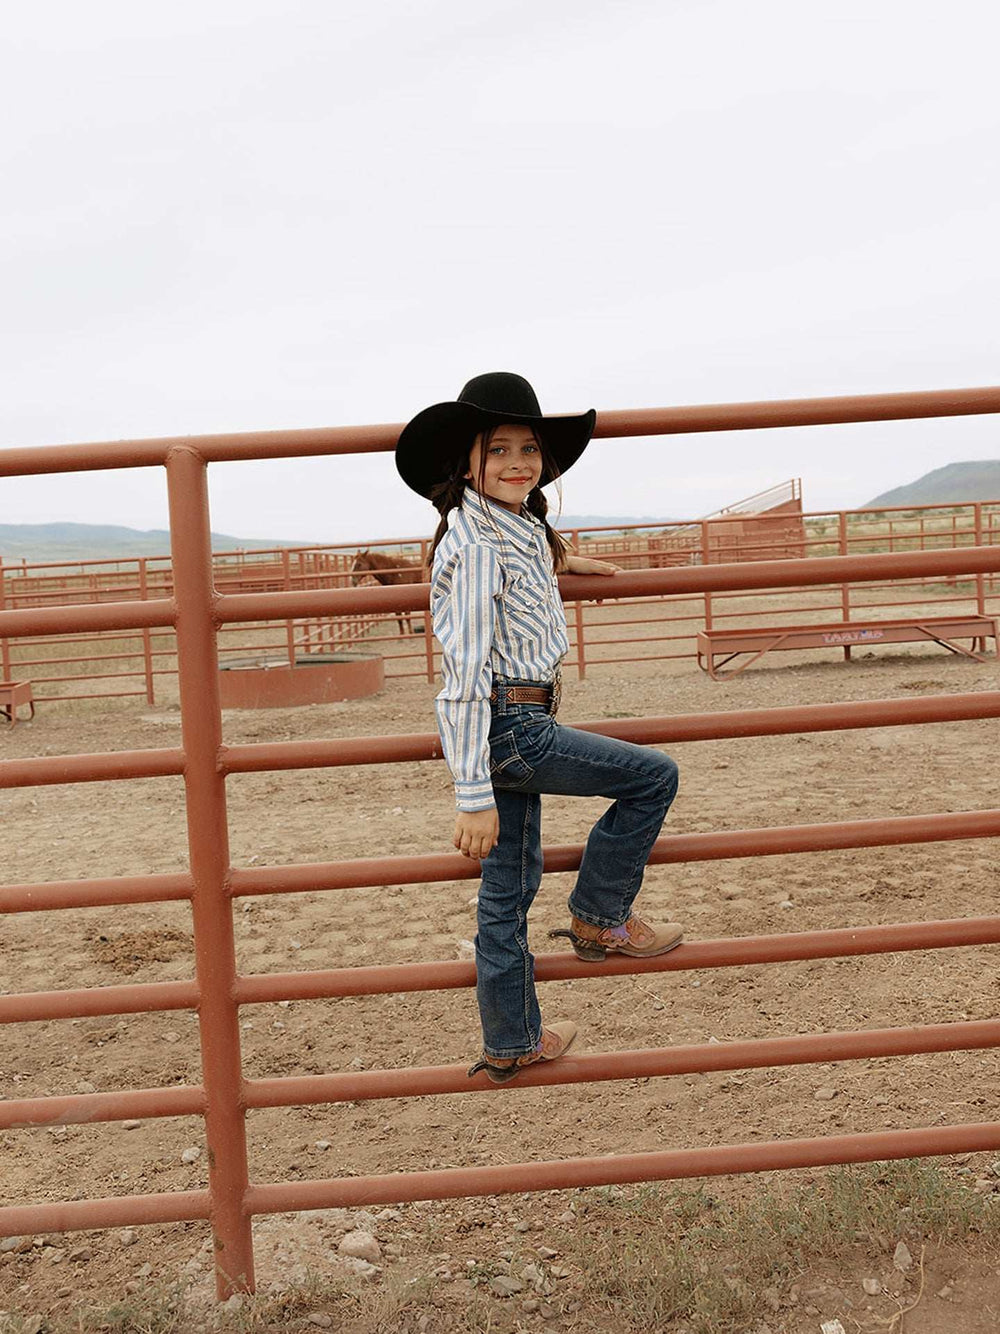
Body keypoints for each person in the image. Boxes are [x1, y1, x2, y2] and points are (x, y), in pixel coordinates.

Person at [395, 372, 682, 1084]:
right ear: (468, 462)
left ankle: (513, 1037)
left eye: (529, 448)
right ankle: (598, 915)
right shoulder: (478, 545)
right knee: (653, 776)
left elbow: (523, 561)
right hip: (511, 724)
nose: (518, 461)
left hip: (519, 718)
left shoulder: (512, 526)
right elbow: (460, 673)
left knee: (507, 890)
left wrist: (561, 560)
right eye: (499, 450)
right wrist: (471, 793)